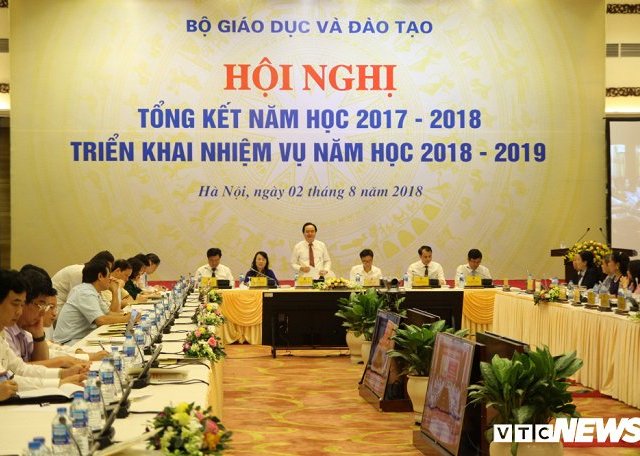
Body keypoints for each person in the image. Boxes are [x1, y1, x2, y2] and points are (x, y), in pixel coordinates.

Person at [0, 269, 86, 396]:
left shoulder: (3, 334)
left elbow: (19, 370)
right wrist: (59, 381)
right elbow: (10, 380)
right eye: (15, 304)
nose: (19, 312)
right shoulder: (7, 331)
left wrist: (62, 375)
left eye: (21, 305)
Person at [54, 260, 139, 346]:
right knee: (118, 346)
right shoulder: (85, 292)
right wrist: (126, 319)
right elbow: (100, 320)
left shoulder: (93, 291)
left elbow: (109, 313)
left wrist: (129, 315)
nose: (111, 279)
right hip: (69, 342)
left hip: (81, 337)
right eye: (109, 276)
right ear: (100, 276)